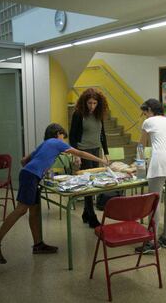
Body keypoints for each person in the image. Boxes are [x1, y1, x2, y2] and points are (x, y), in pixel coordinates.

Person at [0, 123, 109, 264]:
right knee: (21, 210)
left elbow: (23, 160)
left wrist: (38, 170)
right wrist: (101, 160)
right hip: (31, 176)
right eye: (62, 137)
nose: (63, 140)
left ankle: (38, 245)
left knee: (35, 210)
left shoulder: (44, 144)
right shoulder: (56, 142)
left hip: (29, 175)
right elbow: (80, 153)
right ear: (57, 134)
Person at [135, 98, 166, 254]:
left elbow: (141, 146)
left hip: (160, 163)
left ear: (150, 110)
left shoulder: (149, 122)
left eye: (145, 113)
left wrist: (138, 169)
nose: (144, 116)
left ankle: (151, 241)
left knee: (153, 202)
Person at [69, 88, 110, 228]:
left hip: (96, 150)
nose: (92, 106)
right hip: (83, 151)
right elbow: (72, 136)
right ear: (84, 102)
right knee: (88, 185)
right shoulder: (78, 114)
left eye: (94, 103)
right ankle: (92, 216)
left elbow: (102, 134)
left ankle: (86, 213)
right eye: (89, 103)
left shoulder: (99, 114)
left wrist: (106, 152)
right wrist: (76, 155)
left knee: (94, 182)